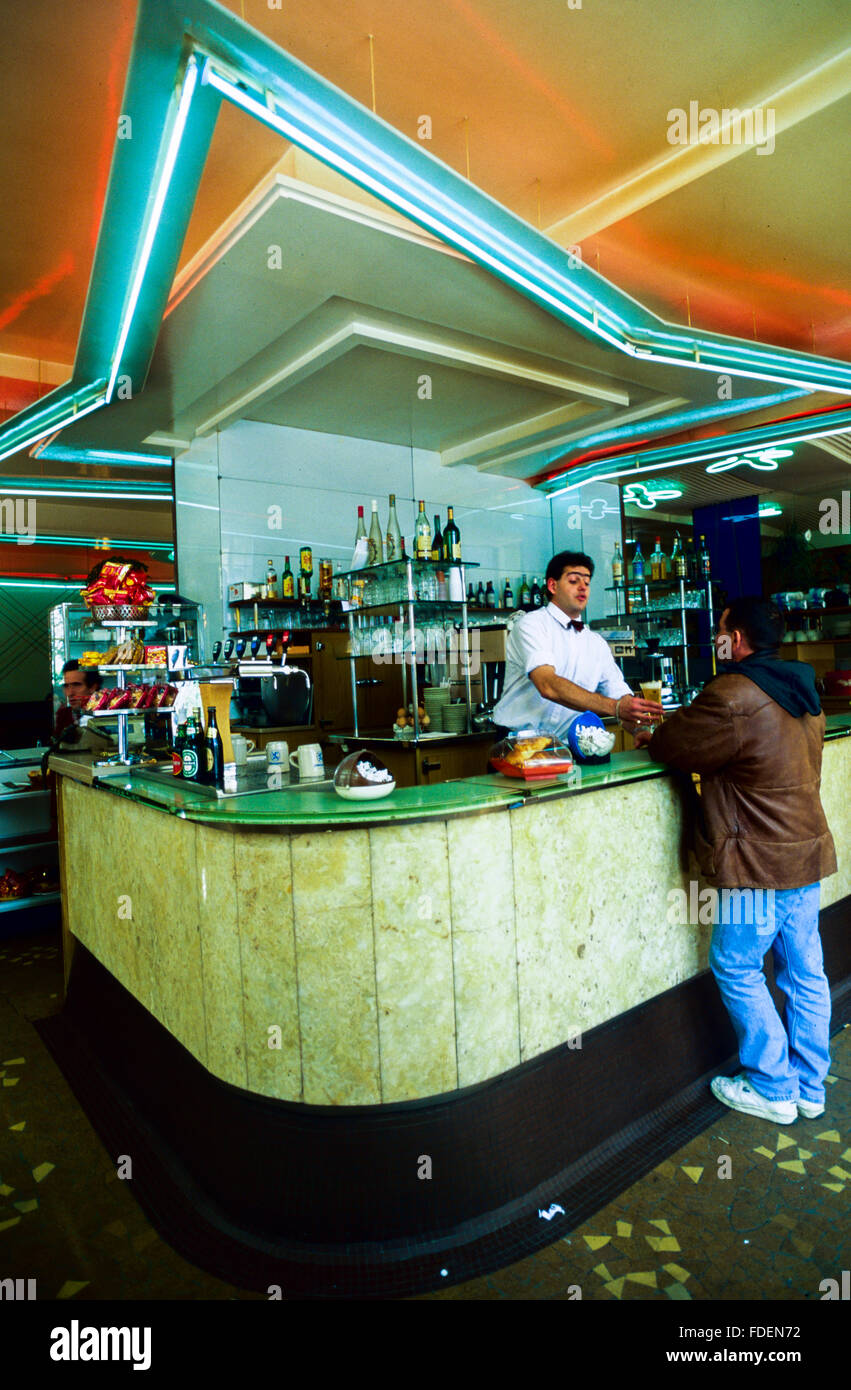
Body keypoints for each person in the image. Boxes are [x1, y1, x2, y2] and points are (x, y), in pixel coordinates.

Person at [635, 597, 836, 1125]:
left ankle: (772, 1085)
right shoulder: (804, 690)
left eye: (720, 630)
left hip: (756, 862)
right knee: (805, 970)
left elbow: (673, 745)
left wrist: (651, 735)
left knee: (738, 965)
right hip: (805, 850)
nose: (716, 639)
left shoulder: (732, 694)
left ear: (739, 638)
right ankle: (810, 1087)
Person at [492, 550, 660, 737]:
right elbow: (547, 684)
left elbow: (619, 694)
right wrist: (616, 707)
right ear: (552, 586)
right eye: (574, 581)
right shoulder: (531, 624)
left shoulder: (596, 643)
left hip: (568, 747)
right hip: (518, 743)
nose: (583, 587)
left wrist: (640, 730)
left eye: (587, 582)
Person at [55, 660, 101, 739]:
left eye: (76, 685)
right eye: (66, 686)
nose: (70, 693)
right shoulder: (63, 715)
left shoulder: (105, 715)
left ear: (93, 687)